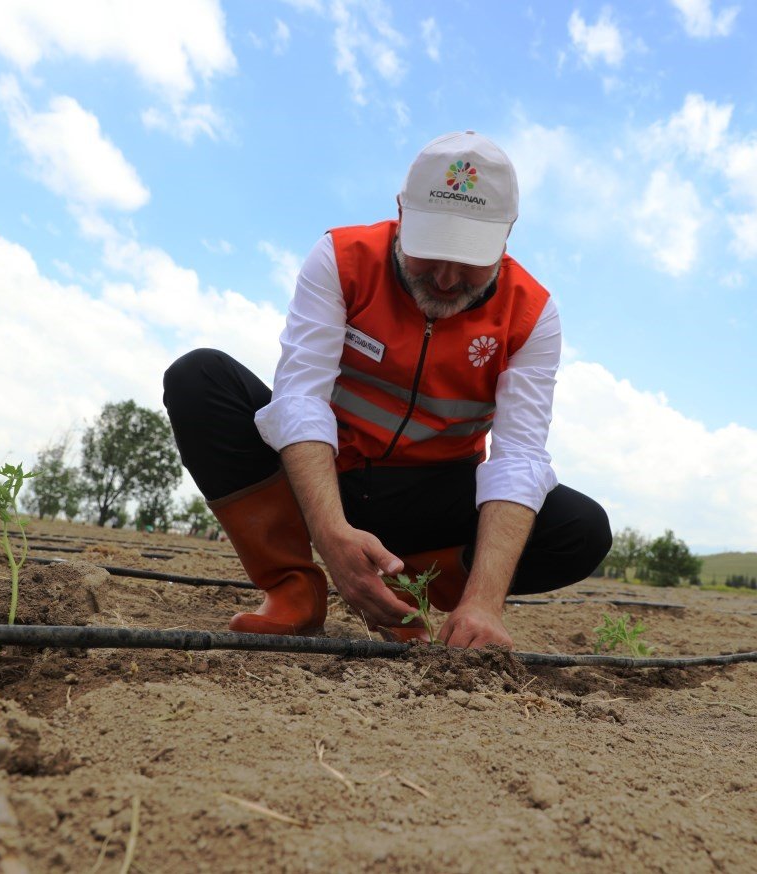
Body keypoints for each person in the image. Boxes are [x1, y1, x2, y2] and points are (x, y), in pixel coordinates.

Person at [163, 131, 612, 649]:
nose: (446, 279)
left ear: (507, 235)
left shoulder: (532, 315)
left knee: (579, 528)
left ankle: (406, 592)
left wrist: (485, 601)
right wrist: (331, 535)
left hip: (427, 495)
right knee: (200, 378)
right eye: (430, 252)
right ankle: (292, 589)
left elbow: (518, 460)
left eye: (469, 259)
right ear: (401, 213)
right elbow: (301, 399)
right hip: (325, 472)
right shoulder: (341, 258)